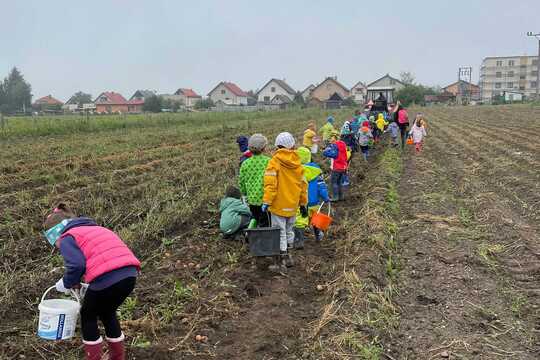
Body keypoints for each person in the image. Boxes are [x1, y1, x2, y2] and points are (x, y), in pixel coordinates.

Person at [43, 203, 140, 360]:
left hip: (106, 277)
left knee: (88, 315)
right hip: (129, 274)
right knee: (107, 313)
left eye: (55, 245)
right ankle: (118, 357)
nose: (58, 248)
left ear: (56, 234)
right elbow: (100, 257)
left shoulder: (67, 237)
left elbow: (76, 265)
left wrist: (65, 283)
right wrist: (79, 282)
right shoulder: (96, 229)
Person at [262, 132, 308, 270]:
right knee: (289, 230)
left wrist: (266, 201)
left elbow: (271, 184)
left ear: (277, 146)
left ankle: (281, 261)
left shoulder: (274, 162)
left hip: (278, 205)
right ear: (292, 145)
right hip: (292, 204)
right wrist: (302, 203)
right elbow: (303, 186)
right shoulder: (298, 163)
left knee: (279, 231)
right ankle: (289, 257)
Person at [294, 147, 330, 245]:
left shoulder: (295, 171)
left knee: (300, 220)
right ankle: (318, 235)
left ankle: (299, 241)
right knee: (315, 219)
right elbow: (321, 186)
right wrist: (326, 197)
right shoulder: (316, 171)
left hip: (301, 202)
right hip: (314, 202)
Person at [239, 134, 271, 227]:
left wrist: (244, 194)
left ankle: (251, 234)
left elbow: (241, 181)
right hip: (265, 199)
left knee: (255, 217)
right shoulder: (268, 161)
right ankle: (263, 239)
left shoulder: (245, 163)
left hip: (252, 199)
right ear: (263, 148)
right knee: (266, 222)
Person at [323, 131, 349, 201]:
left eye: (331, 138)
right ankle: (340, 196)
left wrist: (326, 150)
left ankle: (335, 197)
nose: (331, 140)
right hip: (343, 167)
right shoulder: (343, 144)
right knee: (339, 182)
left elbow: (333, 154)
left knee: (334, 182)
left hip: (336, 167)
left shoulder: (335, 145)